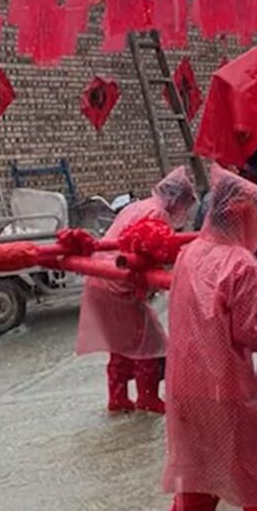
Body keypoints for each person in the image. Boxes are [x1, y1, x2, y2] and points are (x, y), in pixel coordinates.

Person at [162, 166, 257, 511]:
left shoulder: (189, 253)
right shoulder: (242, 265)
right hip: (226, 389)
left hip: (183, 386)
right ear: (240, 214)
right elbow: (248, 334)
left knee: (198, 469)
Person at [75, 167, 197, 414]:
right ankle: (147, 397)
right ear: (178, 200)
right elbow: (154, 252)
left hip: (101, 277)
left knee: (121, 345)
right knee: (149, 343)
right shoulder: (157, 214)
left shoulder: (139, 205)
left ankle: (118, 398)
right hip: (118, 283)